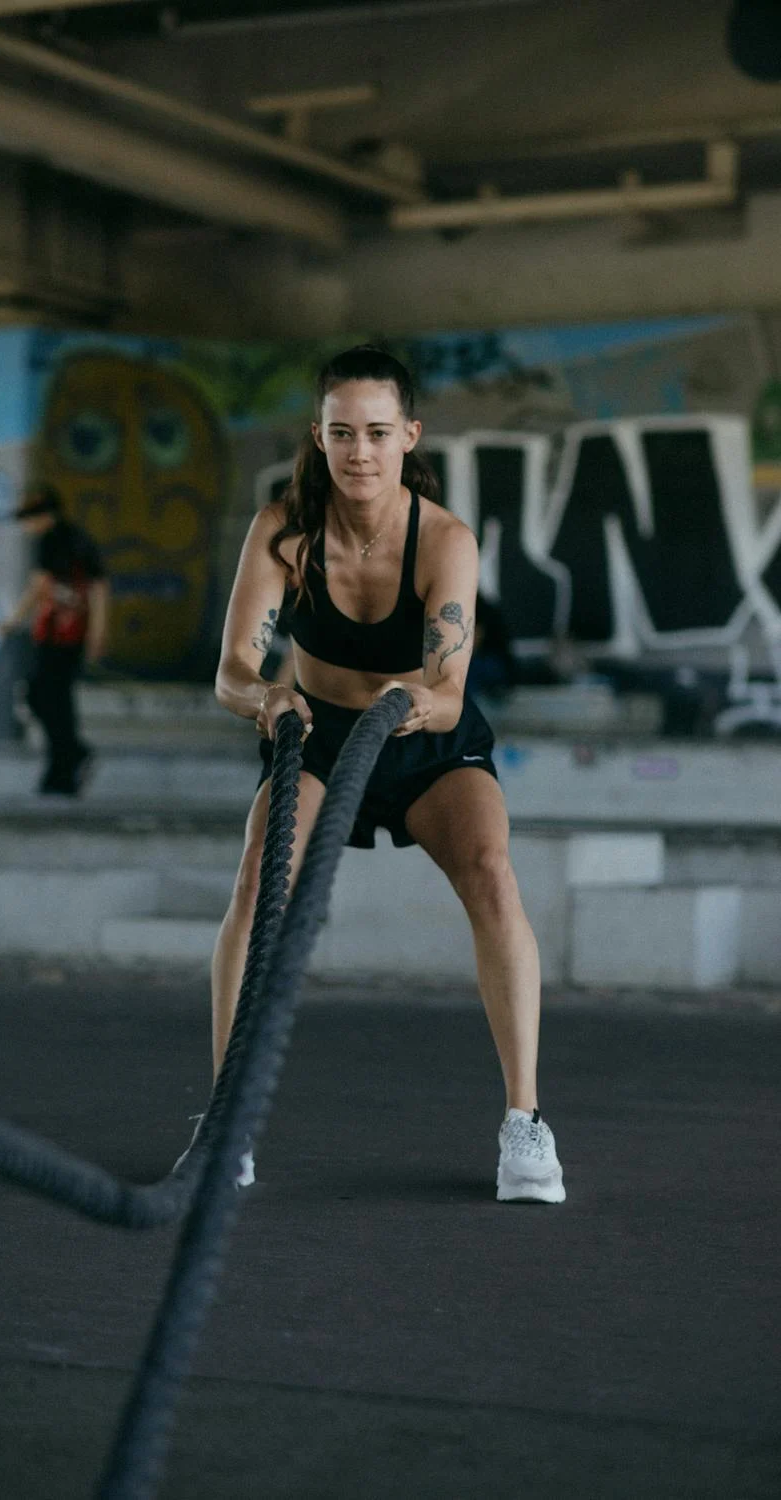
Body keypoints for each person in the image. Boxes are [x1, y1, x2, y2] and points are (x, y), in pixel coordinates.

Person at [210, 346, 564, 1203]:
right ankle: (227, 1124)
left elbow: (447, 690)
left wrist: (411, 704)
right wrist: (267, 700)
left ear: (409, 435)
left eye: (376, 432)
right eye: (341, 432)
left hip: (423, 738)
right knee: (259, 881)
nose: (358, 452)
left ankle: (525, 1127)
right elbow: (231, 672)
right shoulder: (282, 530)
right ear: (319, 436)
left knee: (491, 872)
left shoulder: (446, 540)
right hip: (316, 736)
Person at [2, 483, 108, 796]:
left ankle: (70, 757)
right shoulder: (80, 539)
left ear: (45, 515)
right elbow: (100, 587)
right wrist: (98, 630)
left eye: (29, 518)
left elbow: (39, 587)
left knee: (42, 696)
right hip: (74, 632)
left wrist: (13, 621)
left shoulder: (50, 541)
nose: (26, 526)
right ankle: (63, 766)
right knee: (57, 700)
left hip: (56, 633)